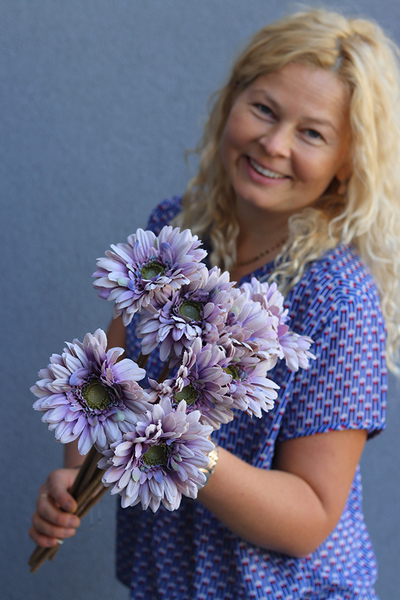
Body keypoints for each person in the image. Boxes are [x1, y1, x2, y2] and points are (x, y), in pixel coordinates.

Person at [30, 7, 400, 599]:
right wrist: (74, 470)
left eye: (312, 133)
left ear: (346, 164)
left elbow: (309, 517)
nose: (274, 144)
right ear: (231, 101)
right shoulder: (174, 233)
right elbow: (111, 368)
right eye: (264, 109)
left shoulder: (338, 297)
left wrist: (178, 445)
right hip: (167, 583)